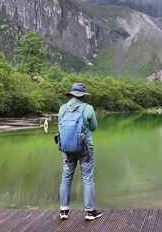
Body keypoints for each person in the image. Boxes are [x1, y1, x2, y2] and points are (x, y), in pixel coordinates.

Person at [58, 83, 103, 221]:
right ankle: (90, 212)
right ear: (82, 96)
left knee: (66, 177)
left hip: (66, 148)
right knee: (87, 178)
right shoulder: (88, 108)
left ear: (71, 94)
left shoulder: (63, 108)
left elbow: (60, 126)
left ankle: (63, 211)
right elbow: (94, 127)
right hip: (85, 148)